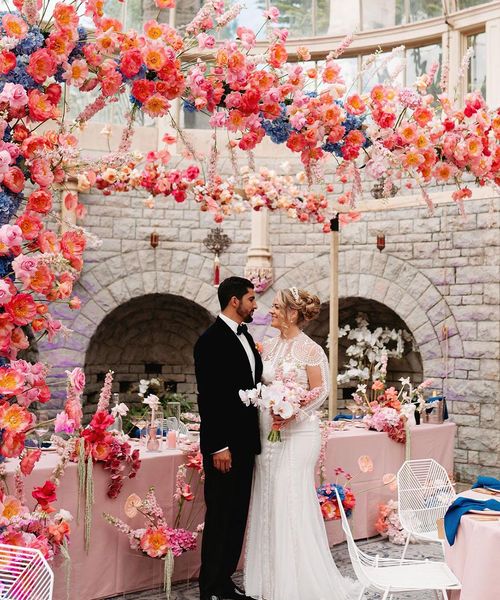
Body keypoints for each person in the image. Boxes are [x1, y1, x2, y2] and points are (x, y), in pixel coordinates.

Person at [244, 287, 359, 600]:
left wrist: (293, 412)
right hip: (268, 434)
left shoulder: (310, 350)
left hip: (298, 435)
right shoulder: (266, 346)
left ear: (293, 313)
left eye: (279, 307)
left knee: (289, 498)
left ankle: (297, 584)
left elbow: (320, 391)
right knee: (268, 499)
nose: (273, 311)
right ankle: (270, 580)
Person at [194, 276, 262, 600]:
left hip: (247, 444)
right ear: (234, 301)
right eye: (251, 299)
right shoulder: (209, 341)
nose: (255, 304)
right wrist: (218, 446)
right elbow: (210, 399)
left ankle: (225, 582)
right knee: (220, 516)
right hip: (224, 447)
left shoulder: (246, 336)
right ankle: (209, 588)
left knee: (236, 517)